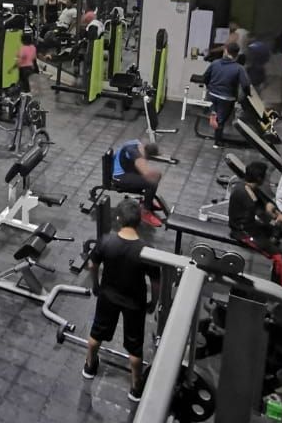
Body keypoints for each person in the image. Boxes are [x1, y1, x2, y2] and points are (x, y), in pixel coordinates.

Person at [82, 199, 159, 402]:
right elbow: (155, 281)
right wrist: (154, 301)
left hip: (108, 296)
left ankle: (89, 366)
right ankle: (136, 387)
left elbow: (92, 265)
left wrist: (95, 285)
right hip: (134, 302)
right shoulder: (146, 249)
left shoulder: (106, 241)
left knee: (96, 334)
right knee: (135, 347)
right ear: (139, 222)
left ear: (118, 219)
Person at [228, 161, 282, 285]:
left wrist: (276, 213)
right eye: (265, 176)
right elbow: (263, 216)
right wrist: (277, 220)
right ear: (260, 178)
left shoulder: (247, 185)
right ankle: (279, 289)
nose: (266, 179)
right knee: (279, 256)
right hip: (243, 232)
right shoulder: (246, 194)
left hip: (251, 225)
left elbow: (265, 202)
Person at [202, 42, 250, 149]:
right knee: (222, 120)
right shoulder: (239, 68)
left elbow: (205, 77)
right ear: (237, 54)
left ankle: (213, 114)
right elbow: (246, 85)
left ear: (225, 51)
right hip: (227, 98)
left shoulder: (215, 63)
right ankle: (217, 142)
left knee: (216, 112)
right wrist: (247, 95)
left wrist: (209, 87)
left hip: (211, 95)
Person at [111, 140, 168, 227]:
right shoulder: (135, 154)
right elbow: (145, 172)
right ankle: (145, 212)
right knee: (151, 183)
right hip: (118, 176)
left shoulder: (137, 143)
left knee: (153, 179)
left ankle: (147, 201)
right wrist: (153, 174)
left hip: (126, 168)